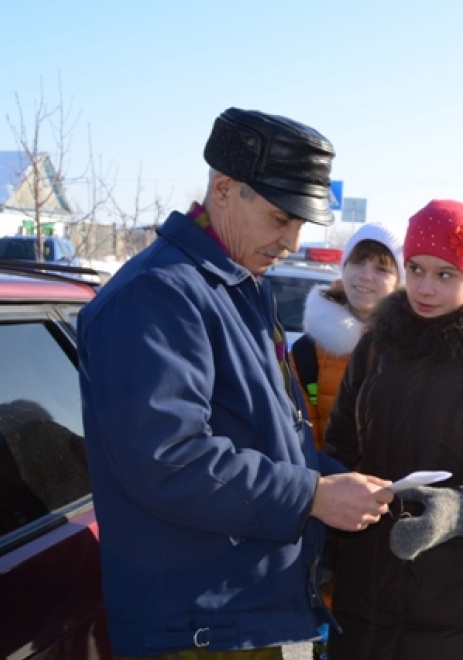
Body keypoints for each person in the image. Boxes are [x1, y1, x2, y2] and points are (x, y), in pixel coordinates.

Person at [77, 107, 395, 659]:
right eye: (280, 218)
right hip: (190, 627)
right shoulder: (158, 296)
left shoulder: (238, 286)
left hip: (228, 616)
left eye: (301, 223)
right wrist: (313, 495)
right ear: (224, 189)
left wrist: (342, 484)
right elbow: (169, 460)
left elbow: (265, 435)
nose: (292, 240)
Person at [323, 199, 463, 659]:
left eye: (445, 274)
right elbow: (339, 451)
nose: (425, 288)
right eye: (416, 269)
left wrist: (460, 511)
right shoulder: (374, 348)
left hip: (460, 615)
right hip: (363, 599)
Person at [290, 223, 403, 450]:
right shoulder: (306, 354)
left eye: (382, 269)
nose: (365, 276)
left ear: (399, 281)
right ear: (344, 267)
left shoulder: (415, 349)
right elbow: (302, 441)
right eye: (358, 262)